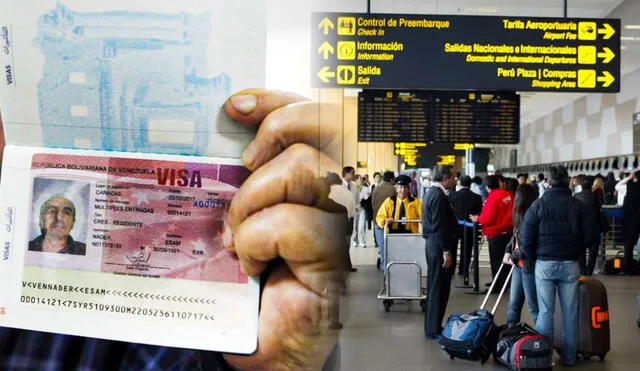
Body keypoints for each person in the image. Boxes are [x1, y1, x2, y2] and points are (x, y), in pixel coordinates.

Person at [1, 89, 349, 370]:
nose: (58, 217)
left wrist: (283, 363)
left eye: (64, 211)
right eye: (52, 210)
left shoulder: (125, 315)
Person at [520, 165, 595, 367]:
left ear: (549, 181)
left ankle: (543, 357)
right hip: (571, 263)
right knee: (570, 312)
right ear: (568, 180)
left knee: (545, 312)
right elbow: (591, 235)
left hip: (544, 263)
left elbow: (525, 236)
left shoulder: (539, 204)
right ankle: (569, 357)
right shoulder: (577, 205)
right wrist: (576, 248)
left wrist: (534, 255)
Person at [422, 165, 459, 340]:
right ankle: (433, 329)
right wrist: (446, 251)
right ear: (444, 178)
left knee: (437, 287)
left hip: (435, 245)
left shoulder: (434, 194)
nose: (455, 180)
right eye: (453, 177)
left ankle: (434, 325)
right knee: (438, 288)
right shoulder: (437, 196)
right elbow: (438, 227)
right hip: (438, 248)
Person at [503, 183, 539, 327]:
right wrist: (508, 250)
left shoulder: (530, 218)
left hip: (528, 266)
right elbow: (515, 239)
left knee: (533, 308)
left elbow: (525, 247)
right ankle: (510, 336)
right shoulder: (522, 217)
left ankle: (542, 342)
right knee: (514, 307)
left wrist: (512, 256)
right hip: (520, 266)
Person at [471, 175, 514, 292]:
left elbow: (488, 218)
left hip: (496, 234)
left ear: (487, 187)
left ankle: (497, 287)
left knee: (496, 262)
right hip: (509, 233)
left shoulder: (492, 197)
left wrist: (477, 219)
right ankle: (506, 284)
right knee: (506, 261)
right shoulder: (508, 195)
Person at [375, 175, 421, 270]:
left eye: (405, 187)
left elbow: (424, 216)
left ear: (409, 189)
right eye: (400, 187)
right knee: (394, 261)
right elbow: (379, 217)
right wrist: (385, 220)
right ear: (396, 189)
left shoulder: (416, 202)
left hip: (410, 236)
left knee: (409, 261)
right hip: (393, 236)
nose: (403, 190)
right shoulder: (389, 201)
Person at [449, 175, 482, 277]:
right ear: (470, 183)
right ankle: (463, 270)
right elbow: (479, 213)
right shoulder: (477, 197)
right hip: (470, 227)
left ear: (460, 183)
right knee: (466, 250)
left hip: (454, 226)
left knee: (452, 248)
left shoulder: (452, 195)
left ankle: (451, 269)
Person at [327, 172, 357, 276]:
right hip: (347, 223)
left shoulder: (327, 192)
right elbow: (353, 212)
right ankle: (346, 265)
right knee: (345, 246)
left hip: (330, 224)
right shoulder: (348, 192)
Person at [574, 176, 602, 276]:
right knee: (593, 251)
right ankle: (589, 270)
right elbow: (599, 208)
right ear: (591, 186)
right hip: (594, 226)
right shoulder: (596, 196)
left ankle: (583, 270)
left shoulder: (576, 196)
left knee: (581, 250)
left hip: (580, 228)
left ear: (581, 187)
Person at [372, 171, 396, 262]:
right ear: (391, 179)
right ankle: (388, 266)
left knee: (382, 245)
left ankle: (383, 265)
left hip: (377, 221)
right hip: (390, 222)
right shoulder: (393, 189)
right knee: (389, 246)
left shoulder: (376, 189)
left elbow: (373, 205)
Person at [622, 170, 640, 275]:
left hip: (631, 220)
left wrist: (629, 178)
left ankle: (627, 268)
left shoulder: (630, 186)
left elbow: (618, 185)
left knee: (628, 245)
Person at [353, 174, 370, 248]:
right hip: (354, 209)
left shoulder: (366, 189)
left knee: (362, 225)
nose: (361, 180)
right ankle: (355, 240)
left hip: (362, 209)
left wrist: (366, 197)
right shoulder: (352, 188)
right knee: (355, 226)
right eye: (359, 179)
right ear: (356, 180)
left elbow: (367, 198)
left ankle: (362, 241)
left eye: (362, 179)